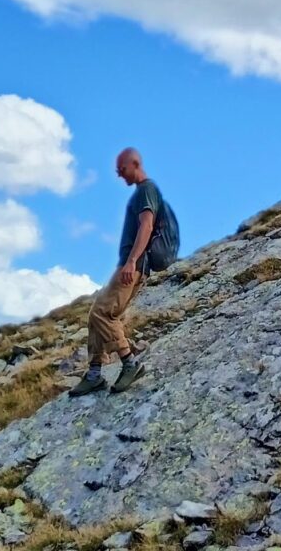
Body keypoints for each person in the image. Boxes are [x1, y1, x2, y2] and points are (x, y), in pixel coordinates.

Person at [69, 147, 180, 397]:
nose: (119, 175)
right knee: (95, 314)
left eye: (122, 170)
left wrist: (131, 262)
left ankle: (130, 363)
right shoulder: (142, 192)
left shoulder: (146, 190)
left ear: (135, 163)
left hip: (133, 265)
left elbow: (147, 226)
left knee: (104, 314)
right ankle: (95, 373)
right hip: (129, 264)